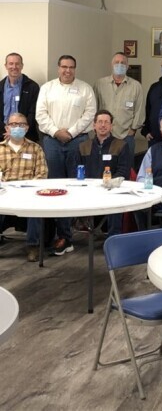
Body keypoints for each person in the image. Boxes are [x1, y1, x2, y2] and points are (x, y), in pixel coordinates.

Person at [35, 54, 97, 256]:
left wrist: (70, 132)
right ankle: (61, 235)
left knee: (75, 186)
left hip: (77, 141)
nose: (67, 70)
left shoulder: (85, 88)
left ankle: (71, 233)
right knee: (54, 187)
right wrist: (56, 132)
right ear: (58, 68)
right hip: (51, 141)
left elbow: (90, 114)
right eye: (64, 67)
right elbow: (40, 115)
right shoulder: (47, 88)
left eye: (71, 67)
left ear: (75, 69)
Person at [75, 110, 132, 237]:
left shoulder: (121, 145)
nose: (103, 125)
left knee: (116, 201)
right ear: (94, 125)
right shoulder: (82, 146)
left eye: (106, 122)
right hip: (88, 190)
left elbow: (123, 172)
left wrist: (109, 185)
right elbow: (78, 171)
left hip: (112, 191)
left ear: (111, 126)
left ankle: (114, 238)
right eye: (100, 122)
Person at [0, 112, 47, 261]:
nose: (17, 127)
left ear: (27, 128)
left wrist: (29, 189)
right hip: (4, 192)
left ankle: (33, 245)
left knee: (35, 208)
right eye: (13, 124)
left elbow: (42, 173)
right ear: (7, 128)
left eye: (21, 124)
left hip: (29, 192)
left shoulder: (36, 148)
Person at [93, 52, 145, 157]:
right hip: (104, 134)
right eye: (117, 62)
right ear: (111, 65)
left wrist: (133, 130)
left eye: (123, 63)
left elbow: (139, 110)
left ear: (127, 66)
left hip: (126, 135)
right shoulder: (100, 84)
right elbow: (94, 108)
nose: (119, 65)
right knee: (104, 166)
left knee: (126, 168)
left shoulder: (136, 86)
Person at [0, 52, 40, 142]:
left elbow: (33, 113)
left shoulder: (32, 87)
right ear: (6, 66)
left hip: (26, 136)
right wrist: (7, 131)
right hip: (3, 136)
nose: (14, 67)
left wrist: (18, 132)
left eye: (17, 64)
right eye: (11, 64)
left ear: (22, 66)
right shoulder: (0, 86)